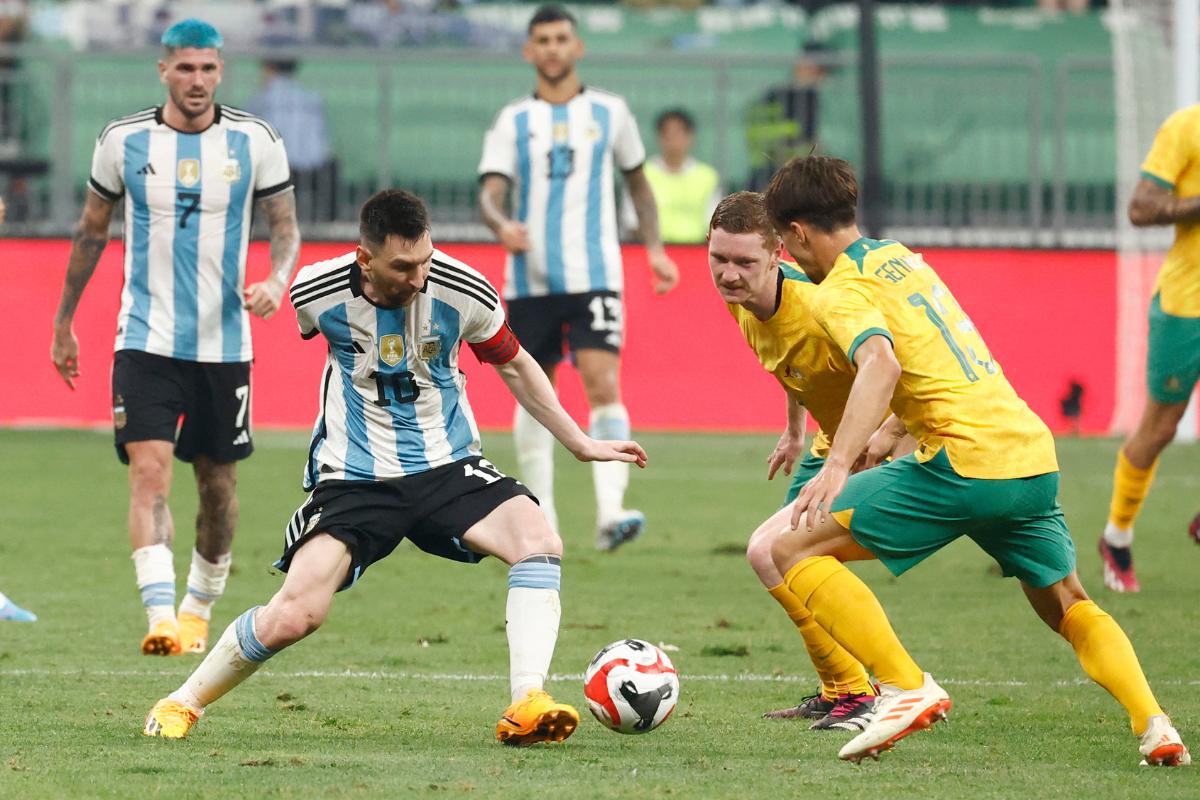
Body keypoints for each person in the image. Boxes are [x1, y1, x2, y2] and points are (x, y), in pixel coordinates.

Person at [142, 188, 648, 744]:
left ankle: (526, 701)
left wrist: (577, 441)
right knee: (295, 614)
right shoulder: (316, 292)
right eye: (403, 266)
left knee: (539, 540)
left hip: (448, 466)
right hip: (355, 478)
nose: (418, 277)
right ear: (366, 258)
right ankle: (181, 703)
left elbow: (517, 366)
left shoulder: (462, 289)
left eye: (425, 260)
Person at [760, 155, 1189, 766]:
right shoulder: (902, 259)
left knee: (790, 549)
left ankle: (906, 687)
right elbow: (940, 359)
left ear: (798, 232)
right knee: (1068, 602)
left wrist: (838, 463)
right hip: (1029, 457)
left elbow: (880, 362)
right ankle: (1156, 725)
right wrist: (888, 431)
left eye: (785, 242)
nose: (789, 255)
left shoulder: (839, 290)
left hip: (961, 464)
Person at [49, 19, 301, 658]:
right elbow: (89, 233)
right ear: (163, 70)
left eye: (208, 69)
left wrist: (276, 278)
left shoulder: (255, 140)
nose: (197, 81)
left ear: (221, 71)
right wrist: (63, 321)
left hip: (225, 346)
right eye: (185, 68)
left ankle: (197, 607)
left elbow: (286, 228)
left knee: (218, 488)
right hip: (144, 339)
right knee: (149, 471)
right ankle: (160, 616)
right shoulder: (123, 140)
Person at [478, 4, 679, 551]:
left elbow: (638, 184)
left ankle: (611, 512)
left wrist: (655, 248)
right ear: (528, 51)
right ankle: (543, 519)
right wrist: (501, 225)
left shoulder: (611, 112)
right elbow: (490, 195)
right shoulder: (512, 120)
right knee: (535, 393)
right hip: (530, 280)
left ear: (578, 46)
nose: (552, 48)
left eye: (561, 38)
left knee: (601, 382)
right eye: (542, 39)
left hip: (595, 274)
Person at [709, 190, 889, 730]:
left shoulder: (818, 306)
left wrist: (877, 446)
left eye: (744, 262)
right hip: (825, 445)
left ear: (778, 257)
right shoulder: (740, 300)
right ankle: (841, 688)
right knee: (788, 562)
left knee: (773, 552)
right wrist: (794, 431)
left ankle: (866, 689)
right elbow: (786, 365)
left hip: (877, 447)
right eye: (719, 259)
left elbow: (892, 366)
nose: (729, 275)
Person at [1100, 104, 1200, 593]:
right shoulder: (1187, 127)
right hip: (1188, 305)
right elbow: (1141, 208)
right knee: (1161, 428)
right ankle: (1116, 536)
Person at [245, 59, 337, 222]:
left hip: (280, 170)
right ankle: (326, 224)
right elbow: (322, 142)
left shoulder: (262, 101)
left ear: (269, 69)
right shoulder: (312, 99)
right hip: (314, 169)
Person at [745, 45, 829, 192]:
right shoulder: (785, 97)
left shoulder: (775, 95)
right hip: (781, 174)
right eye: (819, 70)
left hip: (774, 172)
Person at [636, 109, 721, 245]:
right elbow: (632, 222)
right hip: (655, 251)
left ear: (690, 137)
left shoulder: (707, 176)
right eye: (667, 134)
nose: (673, 140)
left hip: (697, 251)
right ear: (659, 137)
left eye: (678, 133)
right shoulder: (642, 174)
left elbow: (715, 223)